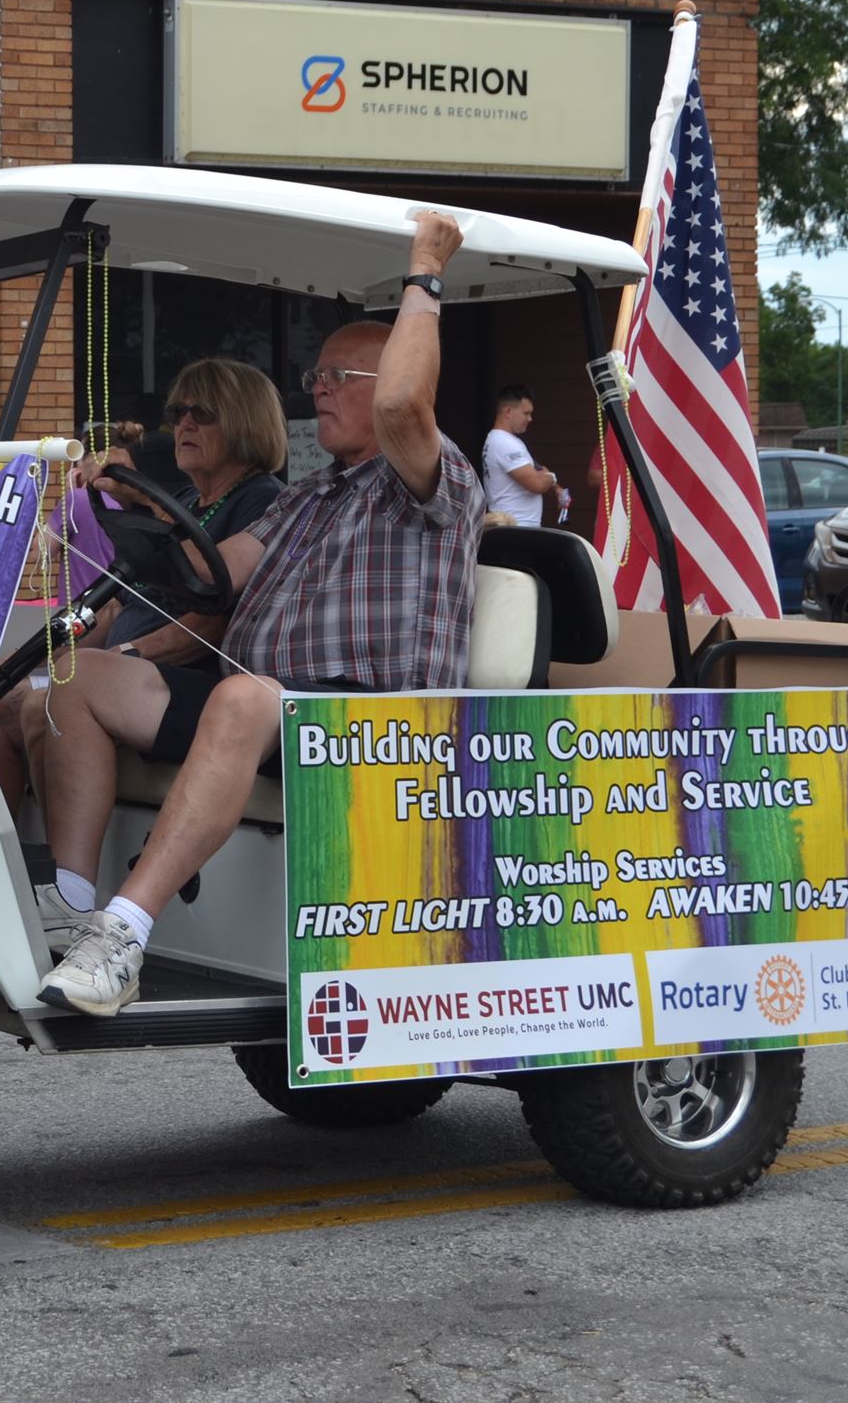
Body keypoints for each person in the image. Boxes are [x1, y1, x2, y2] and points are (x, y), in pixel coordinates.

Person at [38, 214, 483, 1015]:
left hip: (378, 722)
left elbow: (408, 402)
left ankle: (126, 933)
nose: (316, 390)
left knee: (244, 697)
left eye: (337, 377)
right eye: (316, 376)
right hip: (276, 709)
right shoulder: (311, 494)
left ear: (387, 383)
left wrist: (424, 271)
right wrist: (142, 520)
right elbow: (218, 566)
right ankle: (70, 907)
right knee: (78, 678)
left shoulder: (434, 480)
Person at [0, 359, 288, 811]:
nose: (183, 424)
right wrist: (26, 660)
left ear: (244, 420)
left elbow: (216, 621)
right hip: (126, 669)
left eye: (201, 413)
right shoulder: (186, 500)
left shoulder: (263, 501)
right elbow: (116, 606)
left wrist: (117, 660)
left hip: (185, 683)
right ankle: (9, 858)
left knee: (40, 706)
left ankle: (60, 866)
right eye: (177, 412)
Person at [480, 385, 562, 529]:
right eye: (526, 413)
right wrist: (551, 477)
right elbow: (536, 484)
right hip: (515, 527)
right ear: (508, 411)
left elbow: (538, 476)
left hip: (516, 526)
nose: (530, 419)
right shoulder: (503, 442)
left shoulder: (502, 440)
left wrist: (550, 483)